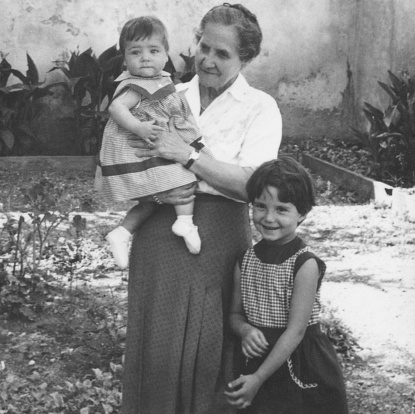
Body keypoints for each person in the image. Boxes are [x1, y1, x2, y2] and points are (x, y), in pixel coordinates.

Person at [122, 4, 282, 413]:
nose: (207, 59)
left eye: (222, 54)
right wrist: (158, 191)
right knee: (157, 343)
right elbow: (129, 161)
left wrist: (188, 156)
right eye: (203, 46)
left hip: (220, 237)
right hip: (160, 229)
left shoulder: (260, 108)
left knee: (210, 344)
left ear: (246, 58)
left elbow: (254, 185)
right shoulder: (167, 94)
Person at [225, 156, 349, 413]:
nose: (268, 218)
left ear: (302, 213)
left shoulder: (304, 264)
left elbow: (296, 332)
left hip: (301, 363)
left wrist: (259, 378)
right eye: (260, 206)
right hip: (256, 357)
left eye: (282, 209)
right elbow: (234, 315)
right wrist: (245, 330)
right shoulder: (245, 259)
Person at [96, 16, 212, 268]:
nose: (145, 58)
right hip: (144, 148)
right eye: (135, 52)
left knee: (150, 201)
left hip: (155, 145)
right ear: (125, 59)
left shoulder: (159, 81)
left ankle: (122, 233)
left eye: (153, 50)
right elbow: (116, 108)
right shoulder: (135, 85)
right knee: (183, 178)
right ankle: (184, 222)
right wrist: (138, 127)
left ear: (165, 54)